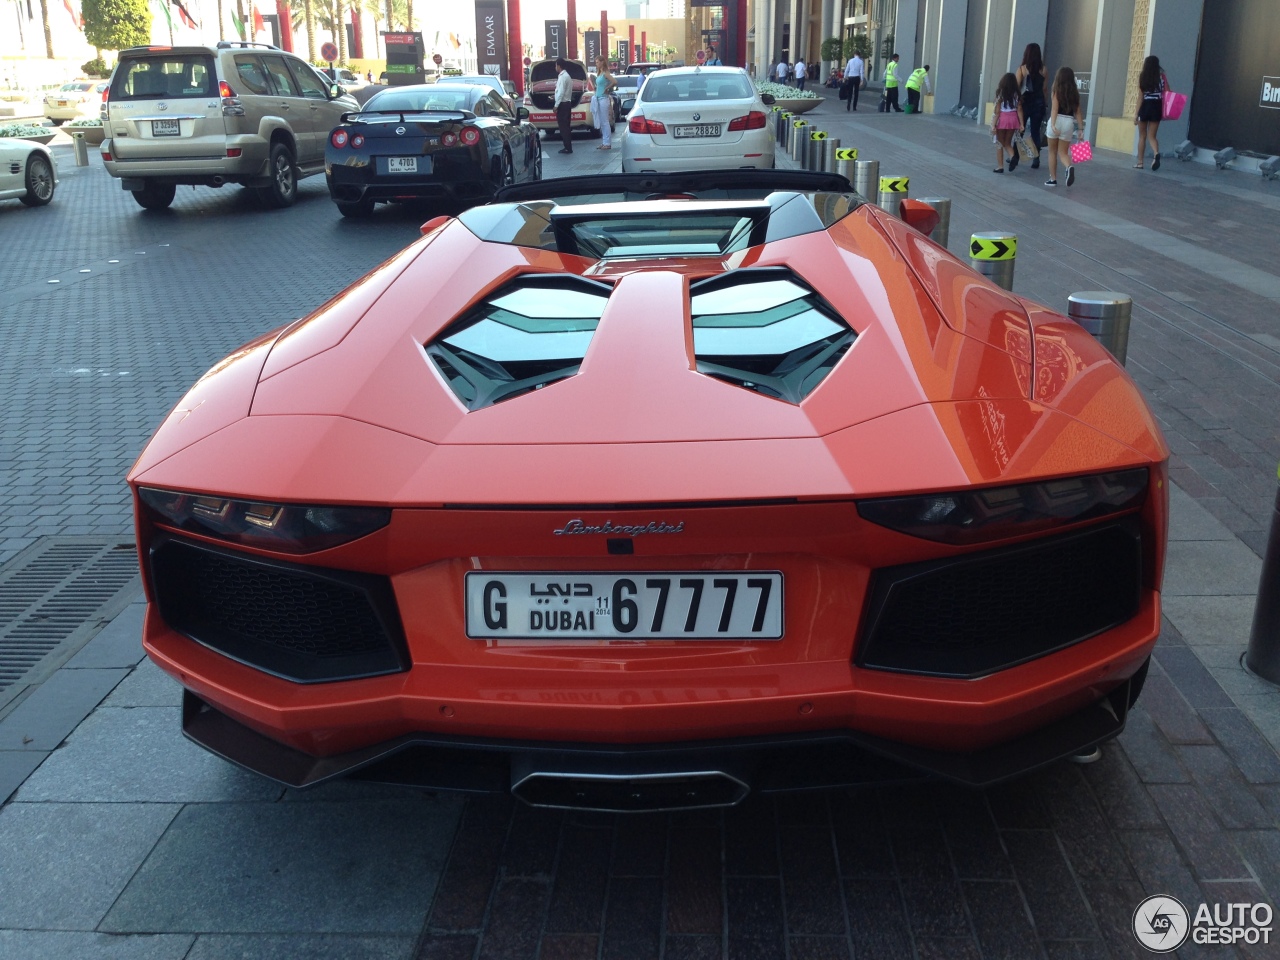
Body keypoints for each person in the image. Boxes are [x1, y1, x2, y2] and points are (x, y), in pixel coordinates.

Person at [1045, 66, 1083, 186]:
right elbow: (1078, 112)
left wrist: (1052, 124)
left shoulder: (1056, 90)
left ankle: (1053, 179)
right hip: (1069, 122)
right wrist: (1081, 129)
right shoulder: (1075, 94)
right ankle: (1069, 166)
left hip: (1057, 120)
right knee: (1063, 153)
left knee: (1052, 151)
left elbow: (1054, 109)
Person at [1015, 42, 1048, 169]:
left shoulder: (1022, 69)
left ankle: (1015, 156)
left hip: (1025, 102)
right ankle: (1036, 158)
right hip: (1038, 103)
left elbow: (1017, 87)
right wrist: (1045, 103)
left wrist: (1017, 102)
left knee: (1020, 130)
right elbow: (1045, 89)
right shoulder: (1044, 69)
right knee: (1035, 131)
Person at [1135, 54, 1166, 170]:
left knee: (1142, 136)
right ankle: (1156, 153)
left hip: (1145, 106)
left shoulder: (1143, 77)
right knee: (1152, 136)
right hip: (1157, 106)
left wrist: (1136, 114)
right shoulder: (1162, 77)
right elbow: (1168, 92)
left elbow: (1140, 97)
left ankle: (1140, 163)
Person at [990, 72, 1024, 173]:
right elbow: (1020, 109)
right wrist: (1021, 124)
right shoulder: (1016, 94)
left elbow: (997, 112)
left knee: (999, 143)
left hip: (1003, 119)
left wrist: (993, 125)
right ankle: (1013, 156)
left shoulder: (1000, 94)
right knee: (1008, 143)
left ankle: (1000, 167)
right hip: (1013, 119)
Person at [590, 55, 616, 150]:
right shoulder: (600, 73)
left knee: (605, 121)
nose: (596, 64)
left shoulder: (605, 73)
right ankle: (604, 141)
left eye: (597, 62)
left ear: (602, 62)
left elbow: (614, 81)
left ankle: (607, 143)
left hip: (603, 98)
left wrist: (607, 88)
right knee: (601, 120)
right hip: (598, 98)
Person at [553, 58, 574, 154]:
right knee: (566, 126)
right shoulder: (567, 76)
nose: (555, 67)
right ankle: (568, 146)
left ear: (559, 66)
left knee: (563, 127)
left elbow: (561, 93)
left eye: (556, 65)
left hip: (563, 105)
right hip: (567, 103)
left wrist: (556, 105)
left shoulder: (562, 77)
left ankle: (567, 147)